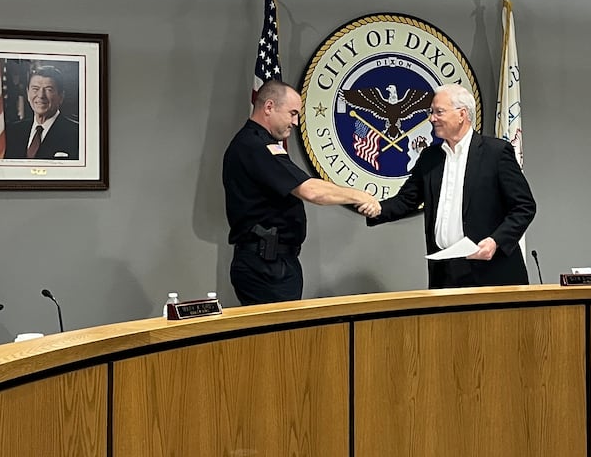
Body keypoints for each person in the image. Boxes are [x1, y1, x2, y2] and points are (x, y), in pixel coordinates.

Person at [362, 84, 536, 289]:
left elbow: (524, 206)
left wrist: (495, 242)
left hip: (491, 272)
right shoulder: (430, 158)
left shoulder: (495, 153)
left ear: (462, 114)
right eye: (431, 112)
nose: (432, 118)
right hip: (445, 275)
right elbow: (406, 200)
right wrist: (376, 208)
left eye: (439, 112)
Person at [223, 80, 380, 305]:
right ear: (269, 107)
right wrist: (360, 196)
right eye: (292, 113)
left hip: (274, 262)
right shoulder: (254, 146)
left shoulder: (263, 144)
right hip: (264, 265)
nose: (295, 122)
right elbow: (311, 190)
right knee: (279, 338)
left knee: (285, 337)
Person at [4, 65, 79, 160]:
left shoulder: (77, 133)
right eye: (35, 89)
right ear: (27, 93)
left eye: (49, 90)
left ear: (61, 96)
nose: (41, 95)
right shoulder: (11, 132)